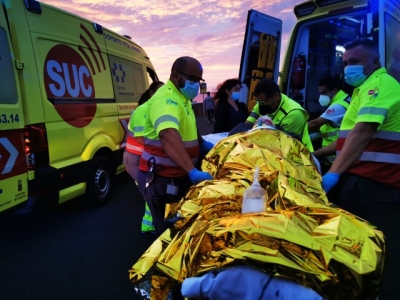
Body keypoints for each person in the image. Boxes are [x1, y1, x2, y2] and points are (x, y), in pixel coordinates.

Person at [320, 38, 400, 300]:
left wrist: (333, 174)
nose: (348, 68)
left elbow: (364, 132)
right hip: (363, 182)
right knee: (360, 249)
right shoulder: (363, 89)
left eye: (354, 62)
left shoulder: (381, 85)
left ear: (374, 61)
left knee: (378, 253)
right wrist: (315, 154)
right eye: (344, 63)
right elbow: (347, 137)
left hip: (377, 187)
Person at [137, 56, 213, 237]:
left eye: (199, 80)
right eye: (192, 79)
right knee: (167, 233)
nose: (195, 84)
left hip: (177, 177)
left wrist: (203, 145)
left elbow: (189, 130)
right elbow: (168, 134)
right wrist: (192, 171)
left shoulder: (183, 99)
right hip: (162, 180)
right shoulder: (166, 99)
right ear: (175, 74)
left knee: (181, 226)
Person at [124, 81, 164, 234]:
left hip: (144, 158)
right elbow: (141, 139)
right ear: (152, 93)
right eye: (160, 91)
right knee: (150, 193)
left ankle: (150, 224)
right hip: (135, 159)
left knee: (151, 192)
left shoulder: (154, 109)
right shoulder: (142, 111)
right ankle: (149, 226)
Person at [246, 79, 313, 151]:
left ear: (276, 96)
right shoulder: (261, 104)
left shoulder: (294, 114)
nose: (260, 105)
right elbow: (247, 126)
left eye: (262, 102)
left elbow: (280, 144)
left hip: (299, 155)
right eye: (257, 102)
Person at [308, 76, 351, 173]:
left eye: (323, 93)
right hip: (336, 157)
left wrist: (298, 130)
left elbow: (316, 123)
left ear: (334, 91)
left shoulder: (339, 105)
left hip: (337, 159)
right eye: (320, 93)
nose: (321, 97)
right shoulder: (344, 98)